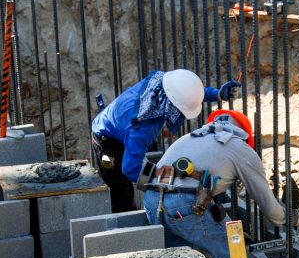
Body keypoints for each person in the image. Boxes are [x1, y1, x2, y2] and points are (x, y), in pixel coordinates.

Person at [141, 109, 299, 258]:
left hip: (150, 201)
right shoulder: (239, 149)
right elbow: (270, 209)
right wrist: (290, 216)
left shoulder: (191, 137)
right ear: (244, 135)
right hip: (183, 206)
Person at [91, 69, 240, 212]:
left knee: (137, 164)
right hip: (106, 140)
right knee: (121, 187)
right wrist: (161, 183)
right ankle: (123, 227)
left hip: (119, 124)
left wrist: (217, 94)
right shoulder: (143, 127)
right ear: (173, 108)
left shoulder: (163, 84)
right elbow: (130, 168)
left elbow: (185, 94)